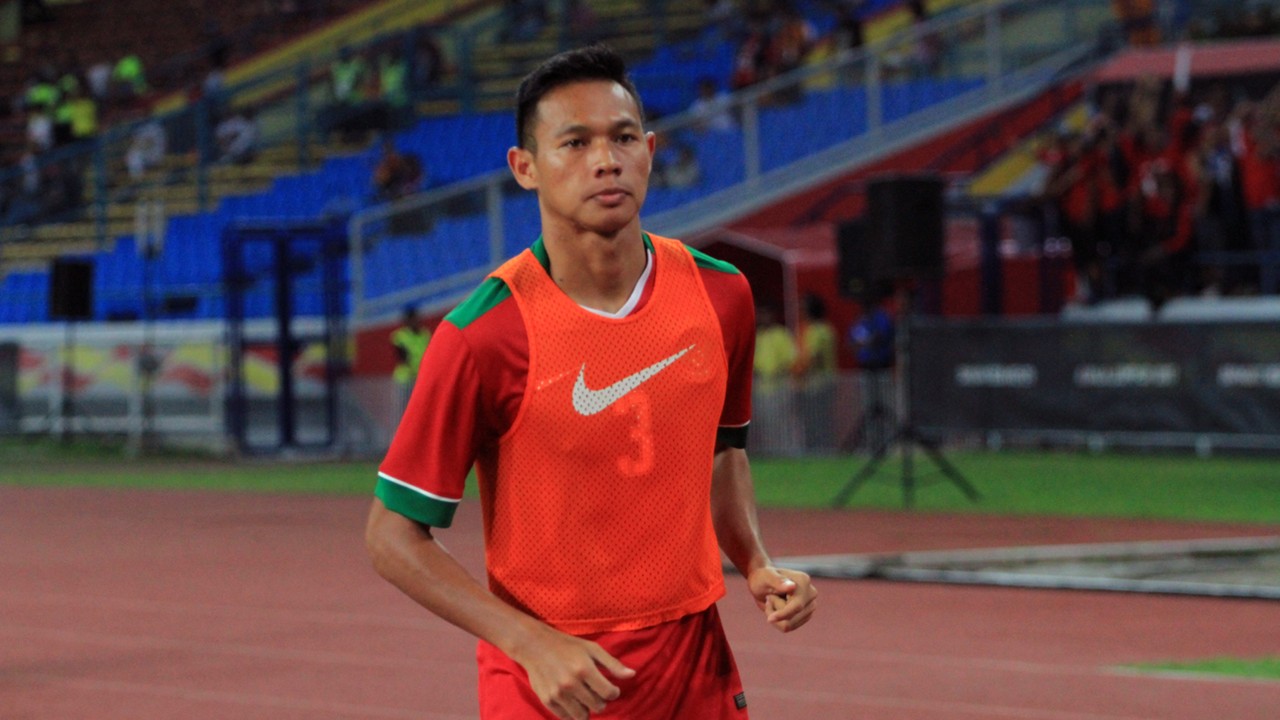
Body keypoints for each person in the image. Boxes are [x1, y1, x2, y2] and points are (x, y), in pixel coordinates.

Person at [366, 44, 816, 720]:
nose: (606, 160)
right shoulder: (484, 335)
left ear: (650, 151)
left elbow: (725, 452)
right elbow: (391, 535)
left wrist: (754, 560)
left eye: (623, 138)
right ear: (525, 168)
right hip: (551, 685)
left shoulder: (722, 296)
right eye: (574, 143)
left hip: (694, 670)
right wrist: (528, 642)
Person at [850, 284, 895, 451]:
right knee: (868, 407)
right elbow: (852, 343)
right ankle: (872, 443)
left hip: (882, 368)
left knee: (885, 405)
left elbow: (880, 337)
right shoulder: (860, 320)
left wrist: (865, 343)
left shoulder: (881, 317)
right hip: (866, 368)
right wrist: (863, 344)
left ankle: (887, 441)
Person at [792, 293, 837, 451]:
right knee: (818, 420)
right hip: (820, 383)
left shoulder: (817, 331)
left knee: (817, 420)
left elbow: (813, 358)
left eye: (802, 308)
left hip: (816, 385)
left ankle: (819, 450)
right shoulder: (825, 329)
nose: (800, 312)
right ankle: (819, 448)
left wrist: (798, 376)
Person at [389, 304, 431, 412]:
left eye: (416, 318)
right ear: (407, 320)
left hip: (421, 378)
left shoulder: (425, 334)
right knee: (404, 409)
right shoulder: (399, 336)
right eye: (412, 318)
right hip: (405, 378)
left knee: (421, 409)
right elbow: (403, 358)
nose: (415, 321)